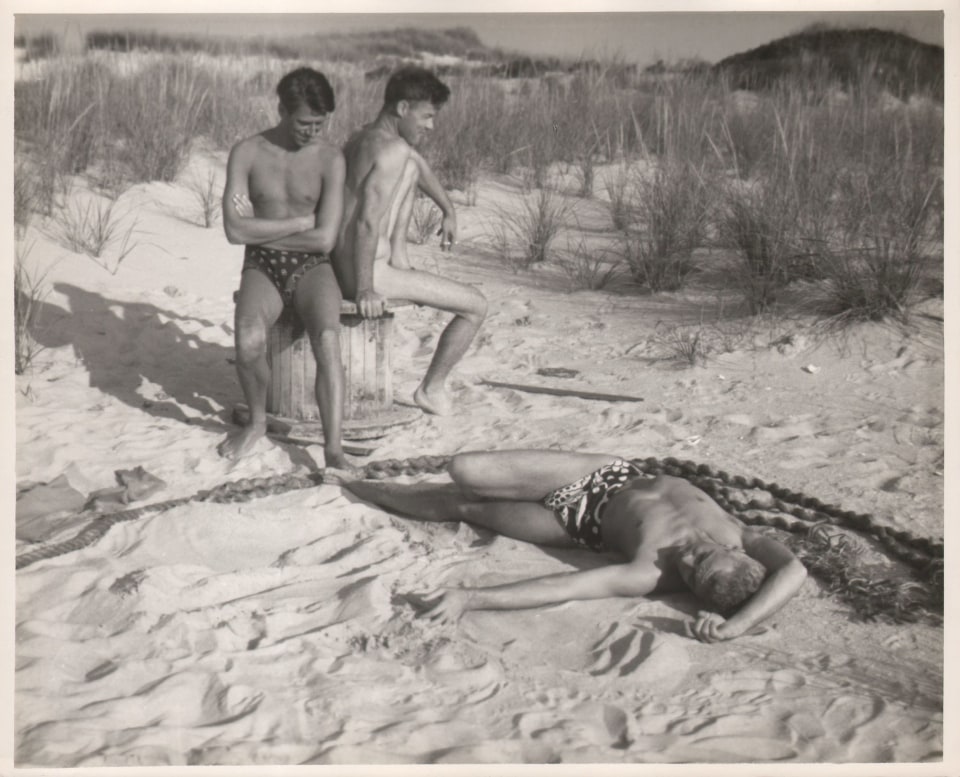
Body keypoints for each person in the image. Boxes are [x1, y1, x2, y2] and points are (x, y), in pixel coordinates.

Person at [342, 450, 808, 643]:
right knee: (467, 470)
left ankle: (359, 487)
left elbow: (565, 587)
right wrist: (738, 625)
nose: (686, 558)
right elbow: (795, 572)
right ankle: (363, 484)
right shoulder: (743, 535)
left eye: (690, 574)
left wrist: (470, 598)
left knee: (463, 506)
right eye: (703, 557)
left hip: (575, 521)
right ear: (739, 554)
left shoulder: (649, 573)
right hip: (601, 475)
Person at [333, 66, 487, 416]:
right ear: (403, 108)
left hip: (349, 261)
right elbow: (367, 224)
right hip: (364, 272)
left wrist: (448, 208)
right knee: (476, 306)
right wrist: (364, 289)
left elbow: (417, 165)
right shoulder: (392, 152)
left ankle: (400, 259)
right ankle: (431, 390)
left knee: (413, 169)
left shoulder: (364, 138)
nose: (431, 126)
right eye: (427, 116)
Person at [220, 67, 348, 467]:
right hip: (264, 264)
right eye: (304, 123)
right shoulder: (248, 152)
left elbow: (325, 239)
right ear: (281, 109)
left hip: (313, 266)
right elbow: (233, 229)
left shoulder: (330, 159)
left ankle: (333, 448)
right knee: (246, 337)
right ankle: (257, 422)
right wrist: (297, 223)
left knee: (327, 338)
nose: (312, 131)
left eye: (320, 123)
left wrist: (257, 231)